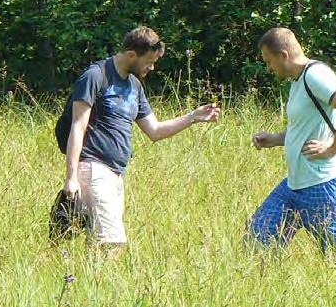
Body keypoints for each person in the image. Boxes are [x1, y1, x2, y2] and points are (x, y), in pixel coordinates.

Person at [64, 26, 220, 255]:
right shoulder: (96, 76)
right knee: (111, 242)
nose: (152, 67)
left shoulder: (134, 86)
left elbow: (155, 130)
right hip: (93, 168)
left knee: (99, 241)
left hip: (116, 174)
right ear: (131, 55)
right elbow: (77, 127)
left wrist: (193, 117)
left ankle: (88, 285)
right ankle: (102, 287)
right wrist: (71, 178)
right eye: (149, 61)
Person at [249, 27, 336, 254]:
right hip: (294, 186)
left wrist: (334, 147)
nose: (269, 68)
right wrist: (274, 139)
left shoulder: (315, 74)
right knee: (257, 243)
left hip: (324, 186)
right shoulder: (298, 81)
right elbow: (303, 129)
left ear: (283, 55)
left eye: (269, 61)